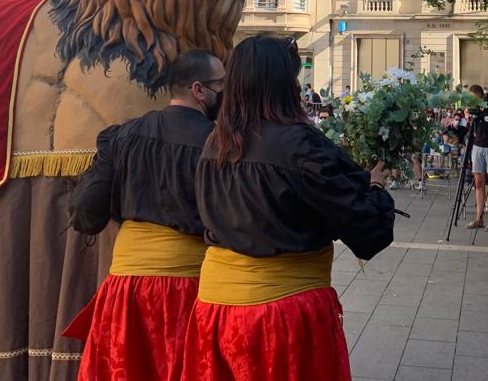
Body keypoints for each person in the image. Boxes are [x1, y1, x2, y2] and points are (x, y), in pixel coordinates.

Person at [184, 36, 395, 381]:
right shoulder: (299, 144)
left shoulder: (215, 144)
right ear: (283, 84)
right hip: (280, 315)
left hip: (216, 310)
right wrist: (375, 187)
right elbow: (368, 231)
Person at [65, 49, 225, 381]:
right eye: (221, 84)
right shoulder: (218, 144)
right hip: (192, 288)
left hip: (125, 286)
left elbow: (86, 210)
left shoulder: (122, 136)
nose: (225, 92)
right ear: (199, 90)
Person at [465, 84, 488, 231]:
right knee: (478, 183)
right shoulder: (473, 108)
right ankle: (478, 218)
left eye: (474, 99)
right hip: (477, 146)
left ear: (480, 96)